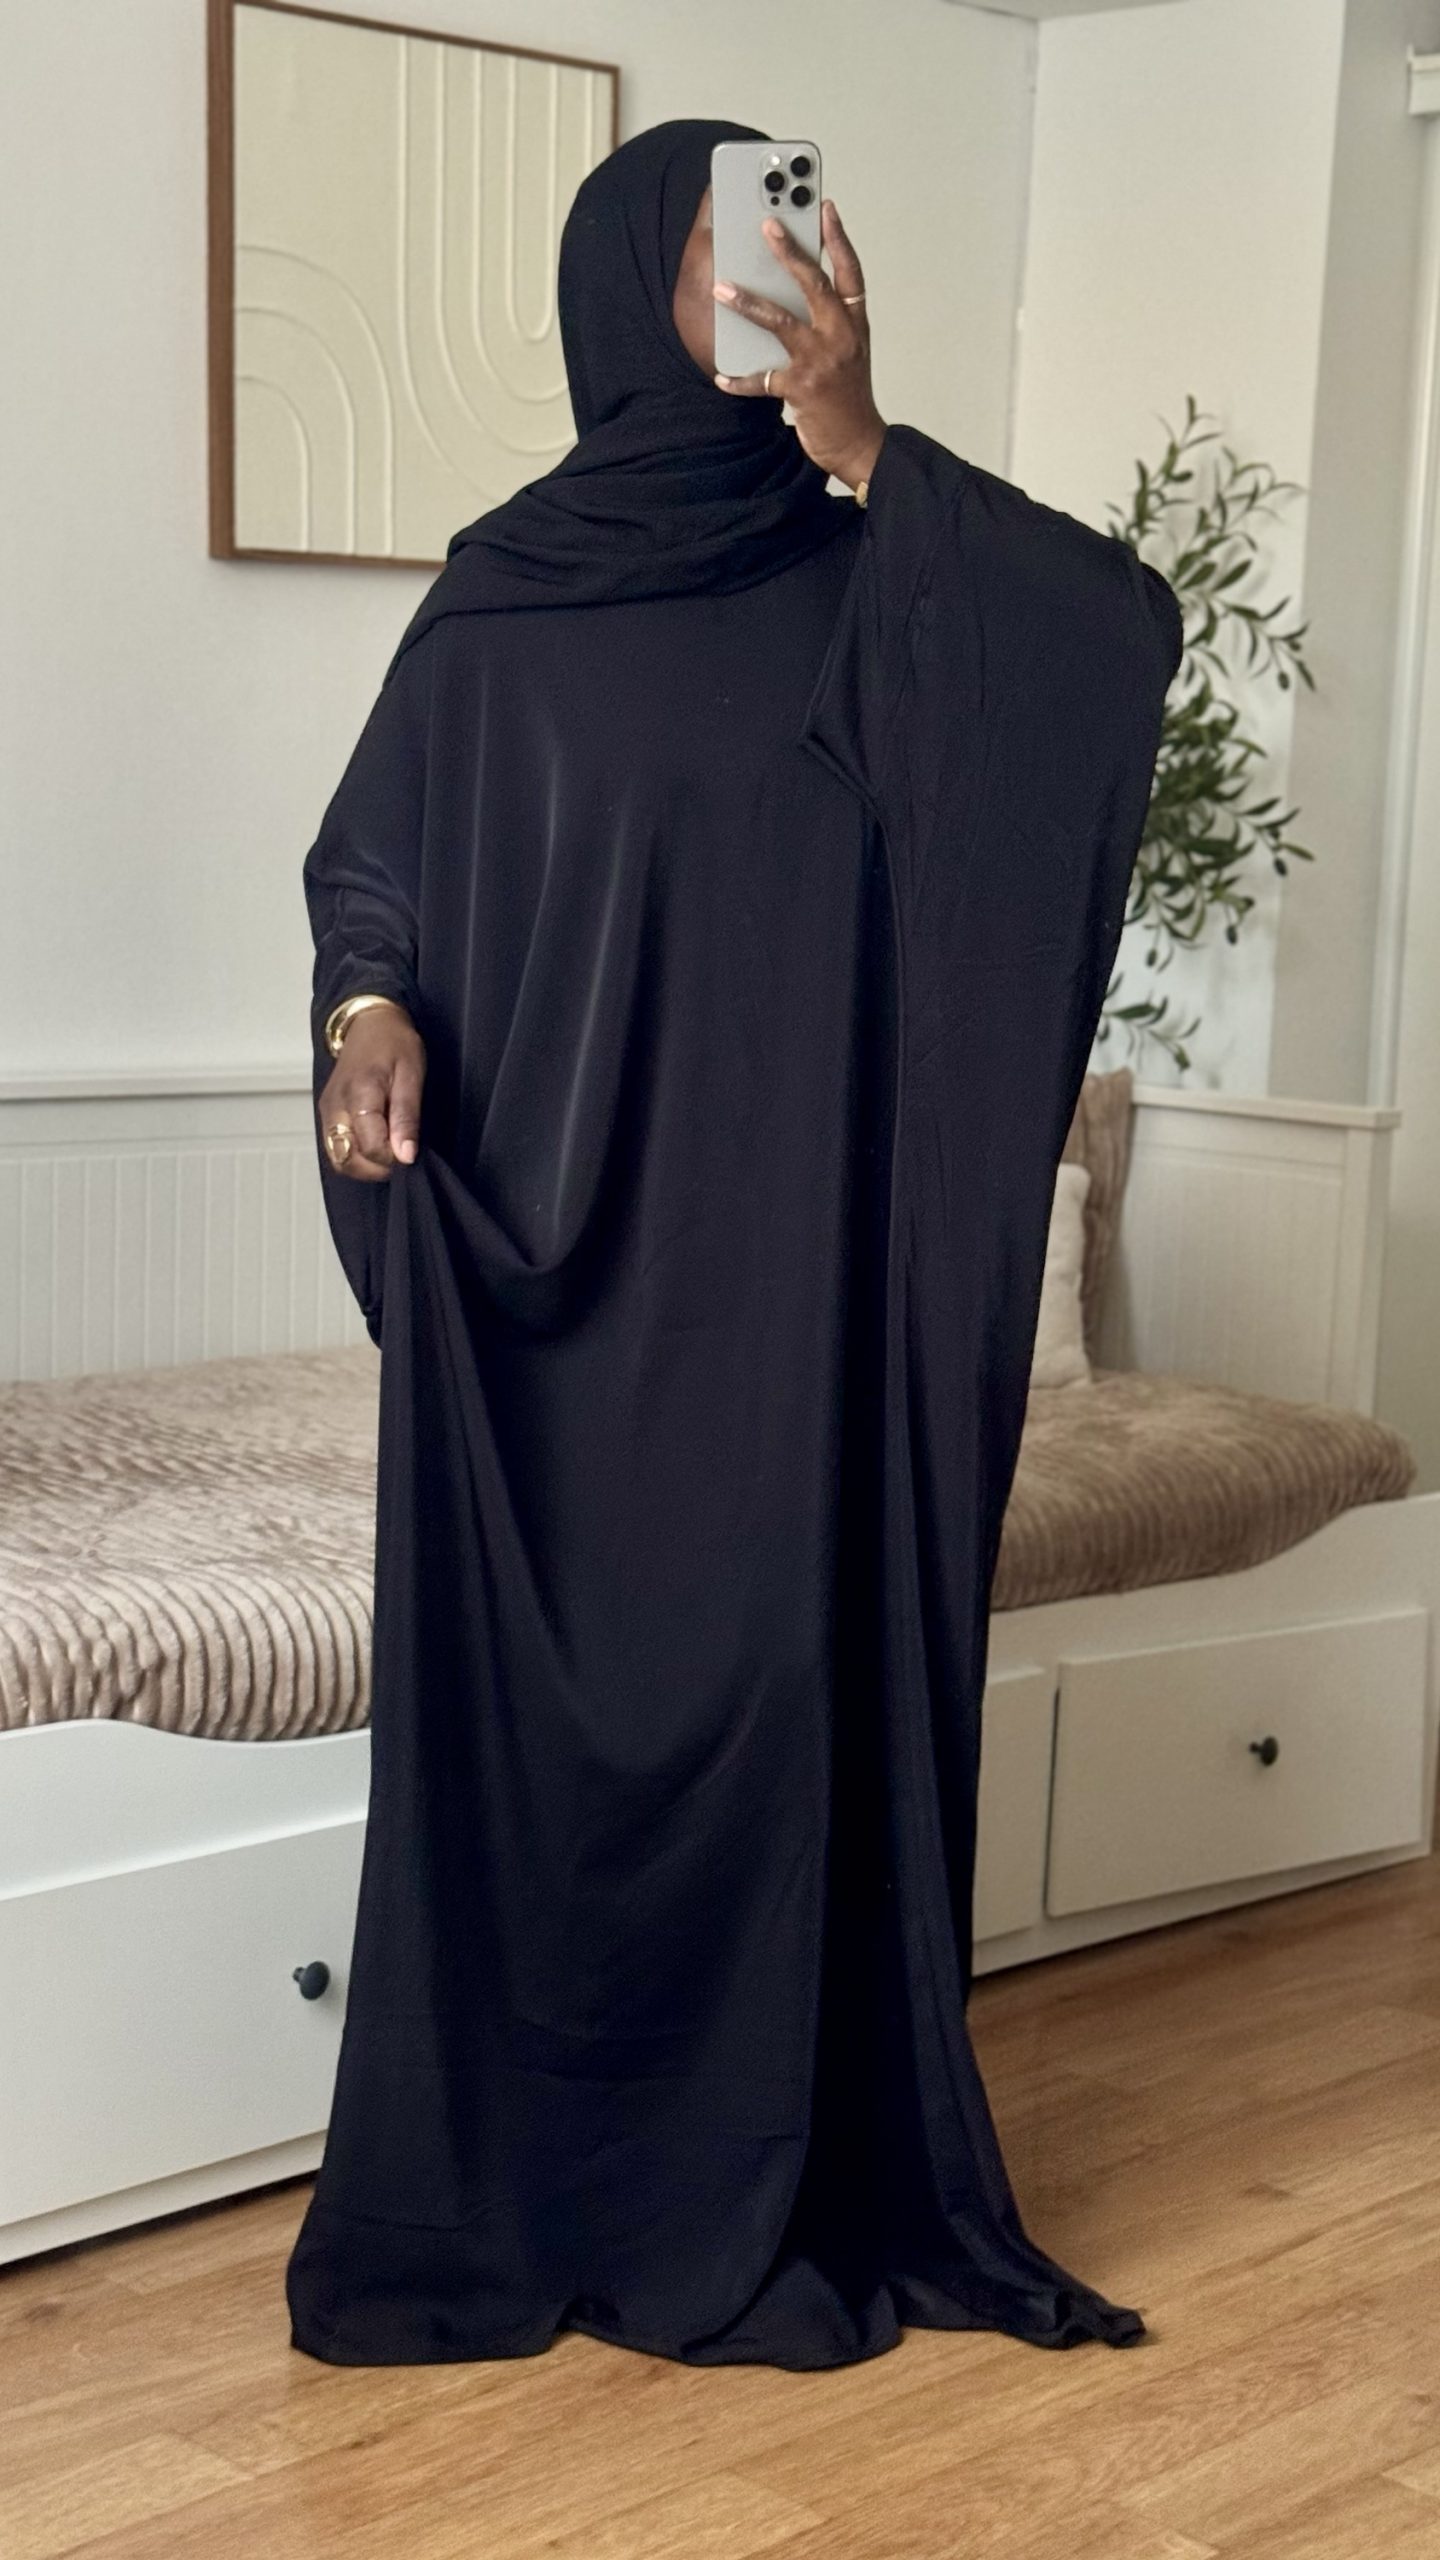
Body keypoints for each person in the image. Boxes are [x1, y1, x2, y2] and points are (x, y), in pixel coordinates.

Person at [285, 117, 1182, 2372]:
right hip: (558, 1291)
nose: (781, 267)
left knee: (788, 1697)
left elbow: (1118, 641)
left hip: (802, 1286)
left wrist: (864, 443)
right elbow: (372, 867)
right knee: (550, 1744)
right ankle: (537, 2177)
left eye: (798, 225)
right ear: (628, 284)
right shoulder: (503, 602)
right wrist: (370, 1011)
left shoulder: (883, 569)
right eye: (723, 242)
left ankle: (782, 2167)